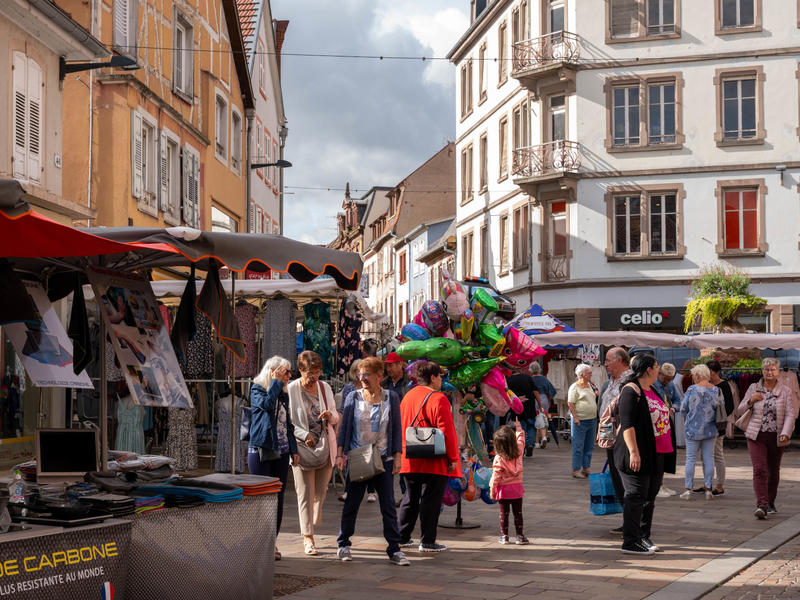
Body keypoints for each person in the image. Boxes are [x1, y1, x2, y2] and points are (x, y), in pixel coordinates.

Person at [335, 357, 408, 566]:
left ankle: (394, 548)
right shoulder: (353, 397)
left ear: (380, 376)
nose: (362, 378)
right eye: (360, 374)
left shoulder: (391, 397)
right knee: (352, 503)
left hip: (383, 457)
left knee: (387, 506)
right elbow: (345, 428)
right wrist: (340, 454)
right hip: (359, 457)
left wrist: (398, 456)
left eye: (367, 374)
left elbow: (396, 429)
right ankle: (343, 544)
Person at [397, 361, 461, 552]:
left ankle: (402, 536)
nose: (442, 379)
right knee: (430, 500)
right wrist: (452, 458)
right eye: (440, 376)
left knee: (410, 498)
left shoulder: (407, 397)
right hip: (433, 456)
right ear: (432, 377)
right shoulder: (438, 398)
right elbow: (446, 431)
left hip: (409, 454)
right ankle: (427, 540)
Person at [614, 354, 672, 555]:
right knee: (635, 495)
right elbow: (627, 425)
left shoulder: (652, 389)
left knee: (649, 496)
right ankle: (630, 541)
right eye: (657, 366)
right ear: (648, 369)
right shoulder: (631, 391)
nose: (659, 370)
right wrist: (634, 453)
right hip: (636, 452)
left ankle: (643, 536)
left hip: (655, 452)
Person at [288, 350, 340, 556]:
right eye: (310, 372)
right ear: (300, 370)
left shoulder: (325, 387)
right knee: (305, 494)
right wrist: (303, 434)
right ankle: (308, 537)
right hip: (302, 449)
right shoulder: (291, 389)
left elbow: (336, 415)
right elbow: (287, 421)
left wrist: (331, 415)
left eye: (317, 372)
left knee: (321, 491)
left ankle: (312, 520)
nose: (314, 377)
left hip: (325, 446)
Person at [248, 356, 298, 561]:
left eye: (288, 372)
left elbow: (288, 425)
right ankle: (259, 543)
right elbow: (267, 407)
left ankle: (271, 543)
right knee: (262, 500)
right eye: (285, 372)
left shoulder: (283, 394)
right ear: (273, 372)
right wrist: (276, 384)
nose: (289, 376)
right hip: (262, 450)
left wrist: (294, 449)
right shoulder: (257, 390)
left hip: (282, 451)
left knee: (277, 499)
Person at [739, 357, 798, 519]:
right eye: (766, 369)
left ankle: (771, 501)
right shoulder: (753, 388)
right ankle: (762, 505)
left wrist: (786, 432)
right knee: (759, 469)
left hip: (777, 436)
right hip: (755, 435)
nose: (769, 372)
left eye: (772, 369)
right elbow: (740, 409)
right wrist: (751, 400)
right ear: (762, 371)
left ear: (778, 372)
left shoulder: (785, 391)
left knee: (773, 469)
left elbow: (790, 414)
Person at [599, 347, 632, 535]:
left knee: (624, 478)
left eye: (608, 360)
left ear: (619, 361)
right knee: (617, 478)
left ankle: (632, 521)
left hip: (622, 438)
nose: (605, 364)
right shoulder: (612, 381)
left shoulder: (628, 380)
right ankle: (627, 519)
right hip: (610, 438)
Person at [679, 364, 722, 501]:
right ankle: (709, 489)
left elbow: (683, 408)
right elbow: (720, 408)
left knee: (691, 459)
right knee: (709, 458)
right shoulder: (717, 390)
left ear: (697, 375)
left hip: (692, 430)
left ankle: (688, 489)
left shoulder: (692, 389)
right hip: (710, 430)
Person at [337, 359, 377, 503]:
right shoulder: (349, 388)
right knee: (352, 461)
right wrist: (339, 430)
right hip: (353, 429)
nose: (360, 376)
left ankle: (371, 491)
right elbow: (343, 409)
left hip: (370, 430)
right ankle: (348, 490)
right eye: (357, 372)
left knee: (371, 460)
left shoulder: (374, 387)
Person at [489, 421, 529, 545]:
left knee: (503, 514)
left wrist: (492, 490)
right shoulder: (519, 453)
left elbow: (495, 476)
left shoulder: (499, 458)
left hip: (503, 490)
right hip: (517, 488)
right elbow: (521, 439)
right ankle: (520, 536)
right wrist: (518, 426)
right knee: (518, 513)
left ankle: (504, 536)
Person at [707, 360, 739, 496]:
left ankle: (720, 485)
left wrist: (717, 416)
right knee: (705, 455)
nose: (709, 376)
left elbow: (730, 406)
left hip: (717, 424)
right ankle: (706, 483)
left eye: (712, 373)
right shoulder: (705, 385)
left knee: (717, 454)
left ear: (718, 372)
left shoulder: (724, 385)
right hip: (705, 425)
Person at [652, 363, 681, 497]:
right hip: (656, 422)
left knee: (666, 452)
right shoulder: (653, 384)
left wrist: (673, 408)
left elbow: (677, 400)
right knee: (658, 452)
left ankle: (661, 483)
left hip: (667, 421)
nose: (668, 381)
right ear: (660, 374)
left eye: (670, 379)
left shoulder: (670, 385)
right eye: (666, 379)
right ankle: (658, 484)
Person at [567, 364, 598, 478]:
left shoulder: (591, 385)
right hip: (580, 420)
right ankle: (576, 469)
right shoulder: (574, 387)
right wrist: (575, 417)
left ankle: (586, 467)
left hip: (592, 419)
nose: (591, 375)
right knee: (578, 446)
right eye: (589, 373)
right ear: (582, 375)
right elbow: (570, 403)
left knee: (589, 446)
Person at [506, 369, 542, 457]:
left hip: (517, 407)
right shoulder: (528, 378)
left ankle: (521, 446)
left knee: (520, 428)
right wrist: (540, 405)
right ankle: (530, 444)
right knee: (531, 426)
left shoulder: (508, 380)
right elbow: (535, 392)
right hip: (530, 406)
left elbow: (506, 394)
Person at [530, 363, 558, 447]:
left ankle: (536, 442)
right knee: (544, 419)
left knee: (535, 420)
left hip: (534, 400)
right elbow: (552, 390)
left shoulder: (530, 379)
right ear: (539, 369)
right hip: (544, 399)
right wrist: (549, 399)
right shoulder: (544, 379)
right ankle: (544, 437)